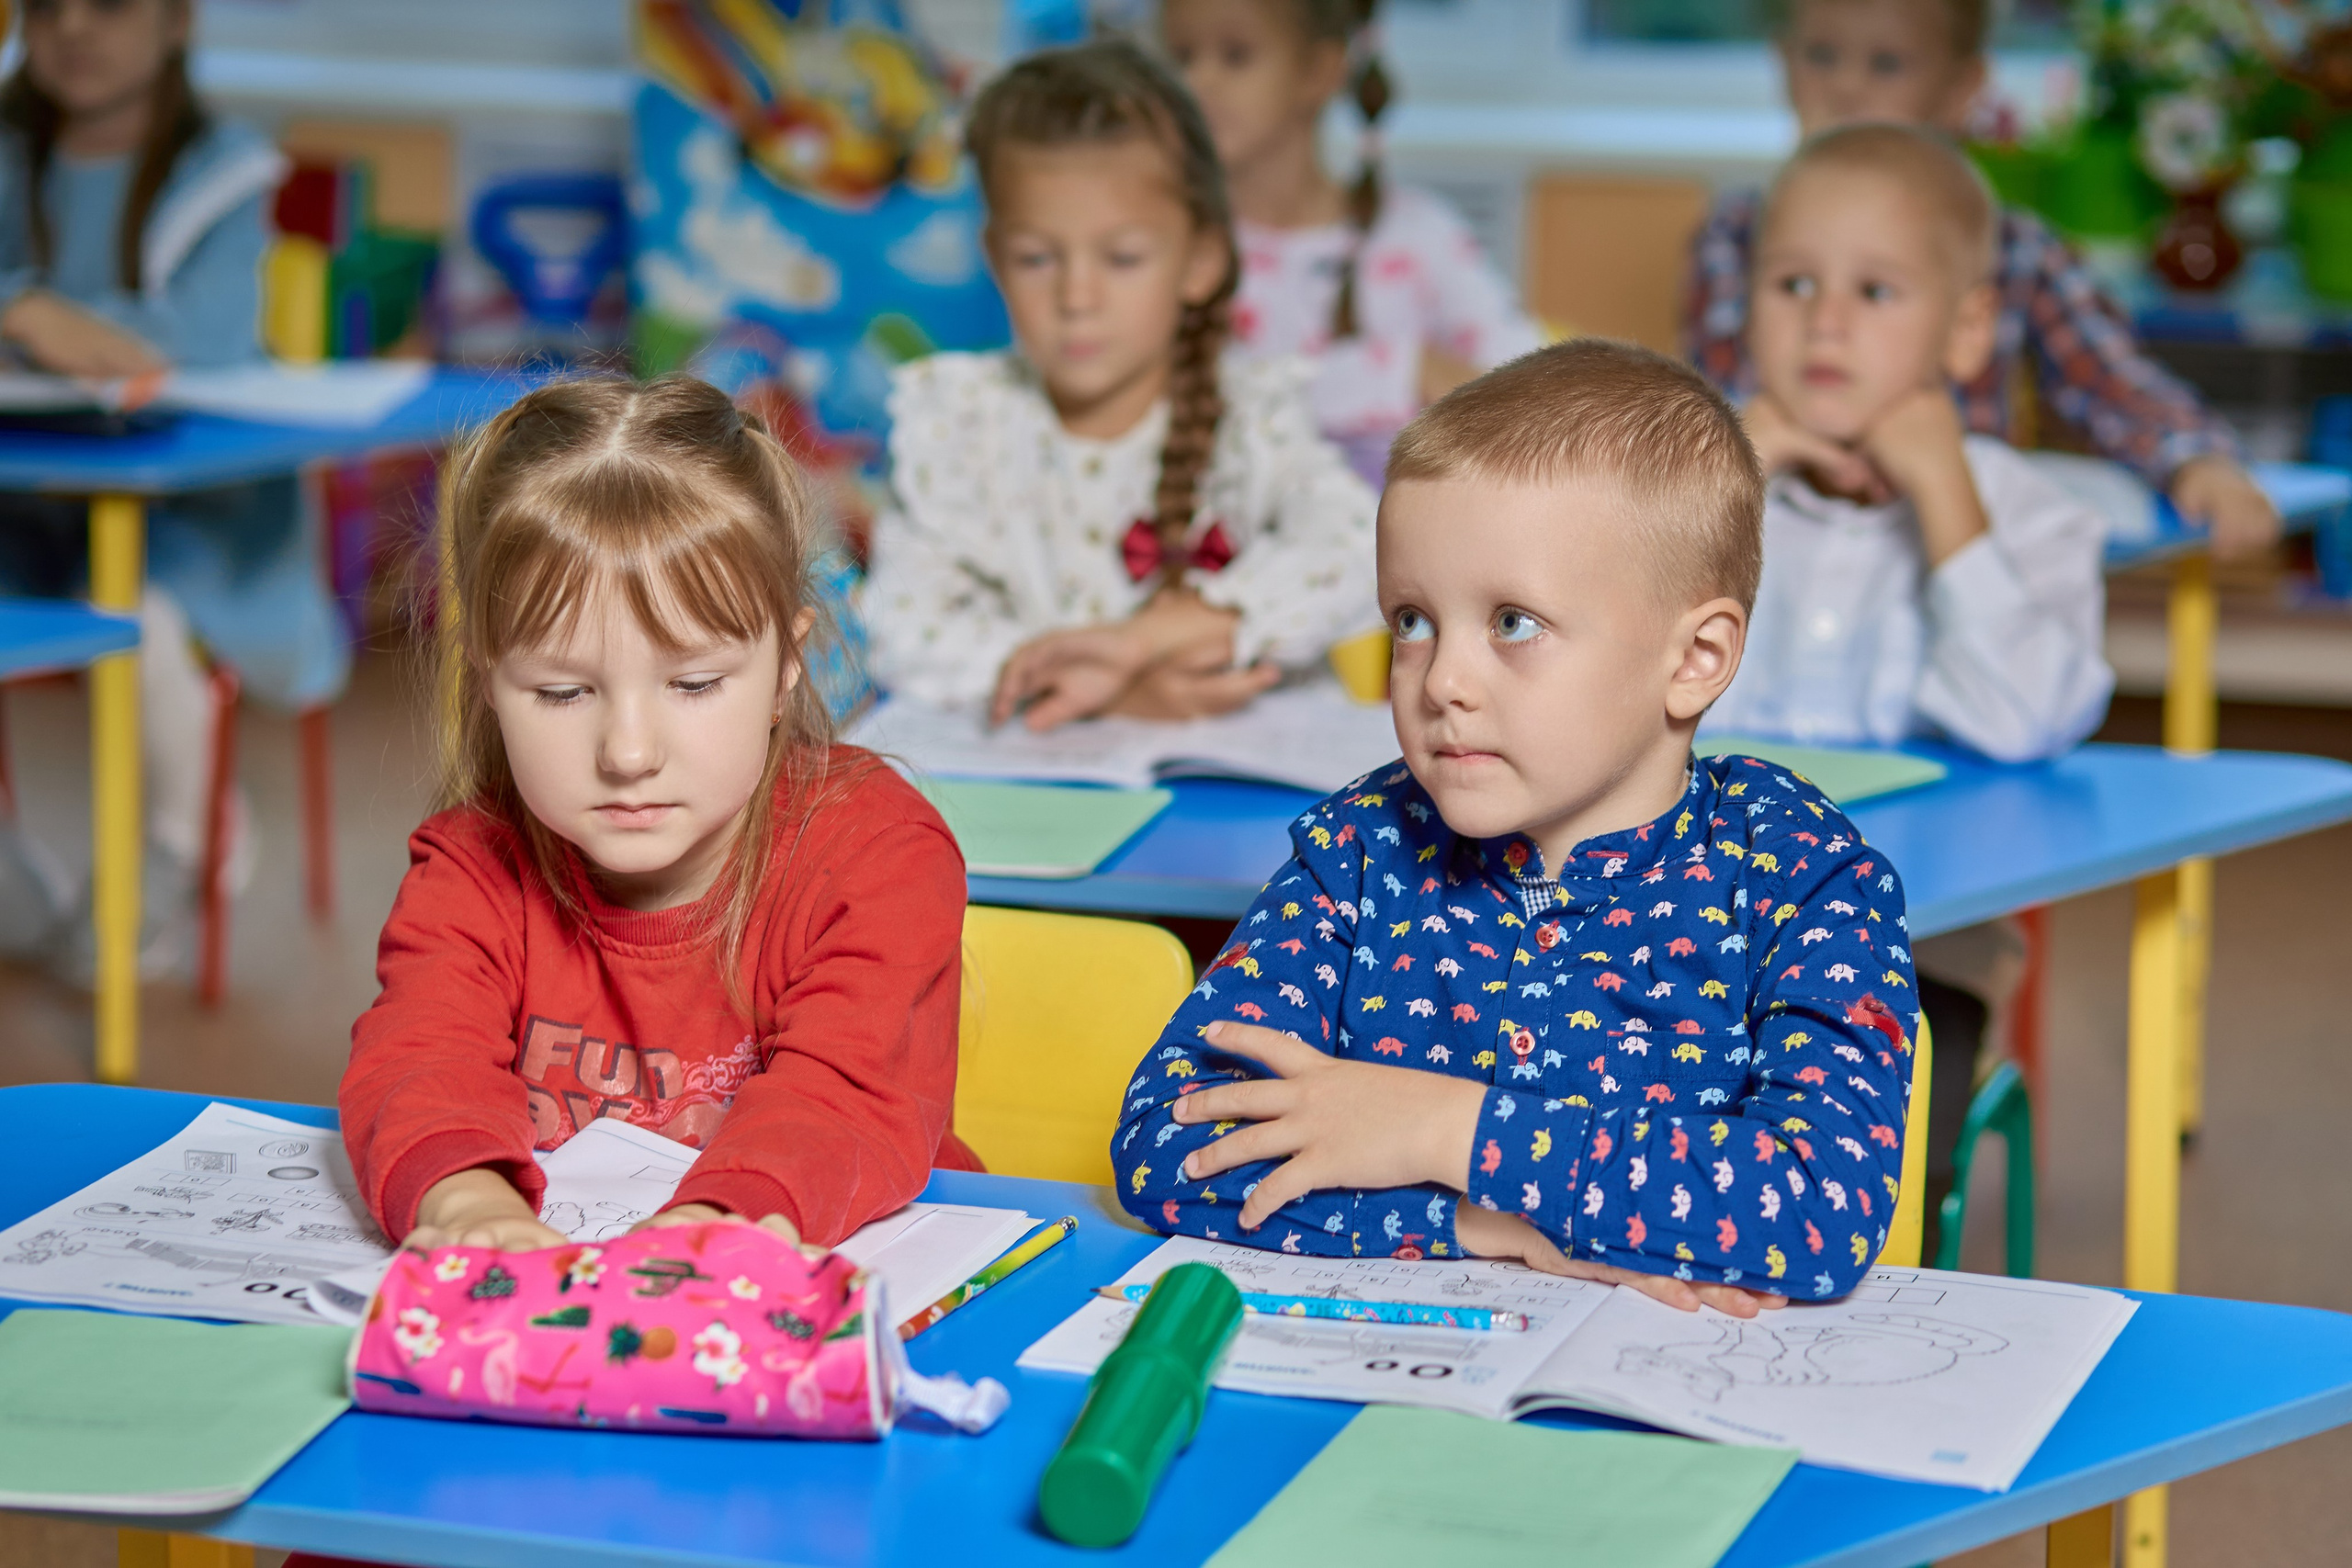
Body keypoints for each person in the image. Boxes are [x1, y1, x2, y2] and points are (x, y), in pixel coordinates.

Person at [1111, 339, 1919, 1313]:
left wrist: (1444, 1132)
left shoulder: (1801, 873)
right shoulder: (1358, 850)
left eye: (1512, 624)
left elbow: (1817, 1216)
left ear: (1695, 657)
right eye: (1411, 620)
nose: (1442, 681)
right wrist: (1477, 1227)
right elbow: (1165, 1145)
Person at [337, 376, 978, 1264]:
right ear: (487, 681)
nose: (629, 752)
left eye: (694, 683)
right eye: (562, 691)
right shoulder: (469, 867)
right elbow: (417, 1061)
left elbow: (843, 1096)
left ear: (787, 665)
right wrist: (466, 1202)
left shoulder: (877, 853)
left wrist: (714, 1227)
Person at [1707, 123, 2110, 1258]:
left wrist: (1944, 500)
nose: (1824, 322)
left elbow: (2031, 718)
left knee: (1851, 1185)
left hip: (1915, 951)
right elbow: (1601, 669)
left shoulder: (2025, 513)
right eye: (1792, 284)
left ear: (1967, 328)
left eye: (1875, 290)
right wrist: (1723, 484)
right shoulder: (1703, 481)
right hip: (1674, 934)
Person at [861, 39, 1378, 733]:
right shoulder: (957, 423)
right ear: (994, 258)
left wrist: (1147, 641)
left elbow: (1363, 546)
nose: (1077, 295)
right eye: (1037, 257)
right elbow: (902, 628)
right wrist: (1110, 691)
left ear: (1200, 260)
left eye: (1123, 256)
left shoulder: (1254, 416)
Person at [0, 0, 345, 976]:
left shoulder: (224, 168)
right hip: (27, 498)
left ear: (179, 19)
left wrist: (39, 319)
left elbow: (203, 336)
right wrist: (28, 311)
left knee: (137, 616)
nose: (71, 29)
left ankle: (180, 843)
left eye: (107, 4)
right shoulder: (9, 150)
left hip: (195, 518)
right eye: (43, 7)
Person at [1680, 0, 2280, 559]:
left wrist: (2196, 459)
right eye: (1821, 55)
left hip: (1963, 556)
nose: (1846, 84)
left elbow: (2110, 380)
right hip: (1790, 560)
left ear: (1960, 87)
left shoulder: (2015, 247)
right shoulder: (1738, 234)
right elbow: (1719, 401)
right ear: (1784, 65)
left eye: (1886, 62)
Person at [1163, 0, 1542, 483]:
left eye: (1236, 55)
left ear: (1320, 72)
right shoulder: (1167, 252)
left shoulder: (1420, 233)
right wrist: (1403, 372)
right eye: (1180, 58)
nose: (1198, 83)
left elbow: (1533, 390)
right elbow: (1200, 410)